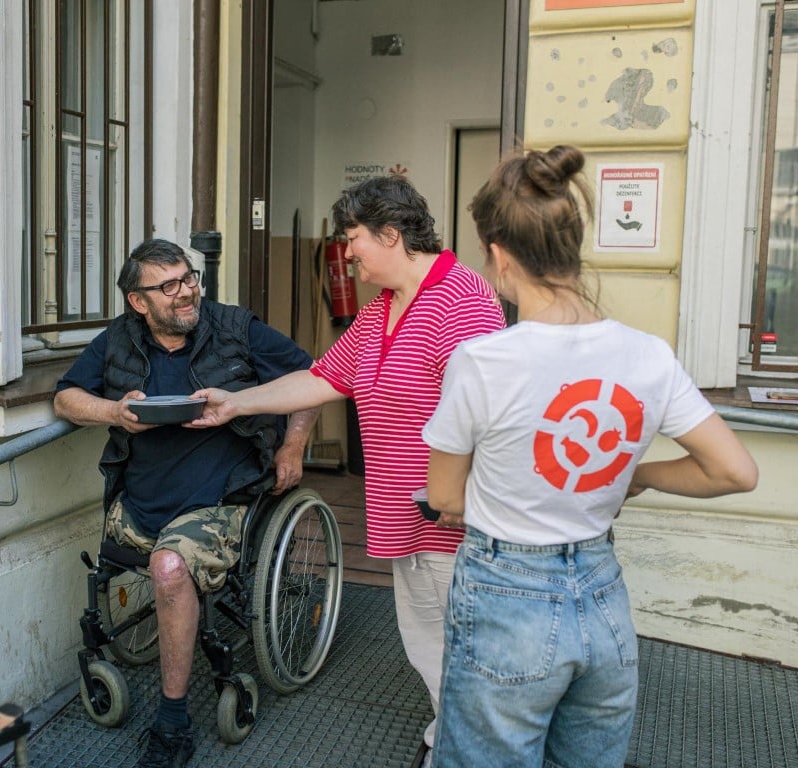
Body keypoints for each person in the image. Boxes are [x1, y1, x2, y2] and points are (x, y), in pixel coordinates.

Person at [421, 145, 759, 767]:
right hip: (604, 601)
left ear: (498, 255)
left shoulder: (483, 361)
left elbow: (443, 498)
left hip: (506, 597)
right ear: (574, 246)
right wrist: (638, 477)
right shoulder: (648, 355)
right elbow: (735, 470)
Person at [189, 174, 505, 765]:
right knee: (430, 643)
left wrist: (457, 501)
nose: (348, 250)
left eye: (354, 236)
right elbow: (321, 378)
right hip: (404, 510)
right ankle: (454, 734)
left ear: (391, 234)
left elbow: (489, 416)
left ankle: (472, 750)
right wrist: (237, 401)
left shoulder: (462, 300)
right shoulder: (384, 307)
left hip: (451, 516)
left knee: (470, 650)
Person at [53, 238, 318, 768]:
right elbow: (65, 397)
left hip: (219, 498)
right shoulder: (119, 340)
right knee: (145, 564)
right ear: (138, 301)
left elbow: (309, 377)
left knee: (169, 567)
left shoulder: (235, 328)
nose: (186, 292)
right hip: (142, 499)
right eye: (168, 285)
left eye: (188, 278)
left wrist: (292, 445)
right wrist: (113, 410)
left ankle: (172, 719)